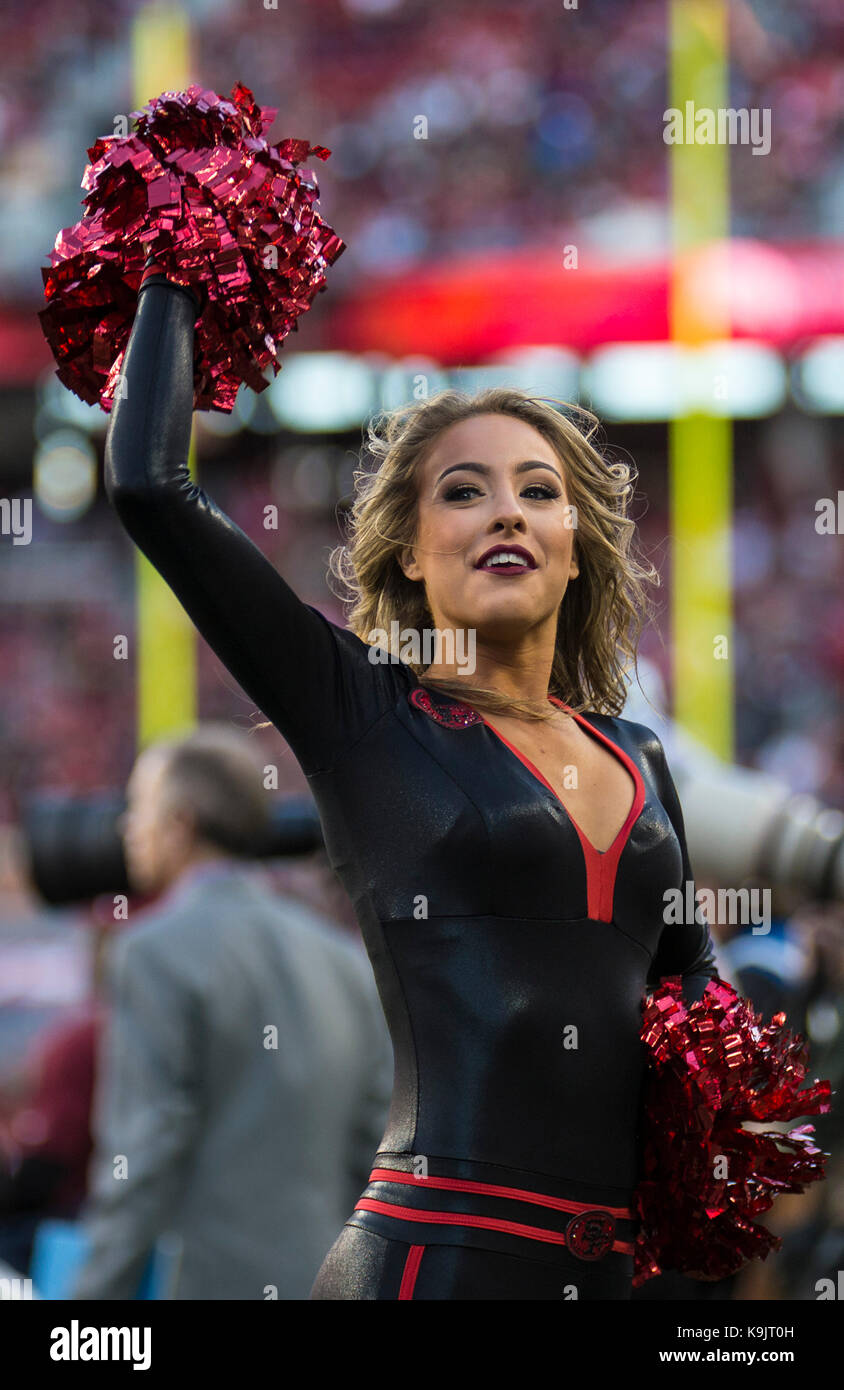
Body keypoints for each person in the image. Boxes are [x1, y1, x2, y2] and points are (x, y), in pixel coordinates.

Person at [100, 267, 720, 1300]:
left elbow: (690, 997)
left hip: (612, 1277)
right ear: (414, 555)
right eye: (463, 491)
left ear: (575, 549)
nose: (505, 513)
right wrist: (177, 260)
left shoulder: (639, 755)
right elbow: (152, 489)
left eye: (538, 490)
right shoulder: (368, 717)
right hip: (433, 1260)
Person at [71, 723, 392, 1299]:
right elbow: (375, 1146)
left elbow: (141, 1157)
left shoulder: (151, 952)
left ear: (179, 825)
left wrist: (85, 1312)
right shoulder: (346, 960)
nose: (126, 827)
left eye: (137, 807)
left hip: (208, 1284)